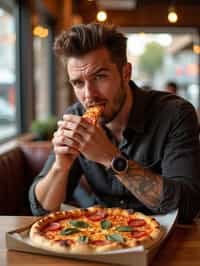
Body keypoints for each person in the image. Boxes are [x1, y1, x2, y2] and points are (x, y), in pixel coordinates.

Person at [29, 23, 200, 224]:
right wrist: (60, 166)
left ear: (126, 73)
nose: (89, 95)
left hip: (165, 241)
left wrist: (111, 159)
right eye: (78, 83)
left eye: (100, 77)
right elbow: (40, 210)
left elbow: (188, 206)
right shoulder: (76, 117)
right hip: (102, 237)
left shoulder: (175, 114)